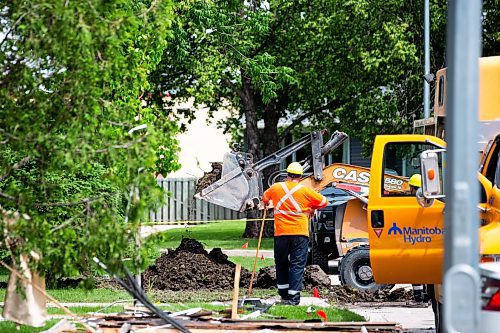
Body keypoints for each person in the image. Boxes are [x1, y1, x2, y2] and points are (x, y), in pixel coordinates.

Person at [262, 162, 328, 305]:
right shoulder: (305, 190)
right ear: (300, 176)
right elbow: (324, 201)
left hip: (281, 233)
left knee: (281, 264)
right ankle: (294, 298)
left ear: (287, 175)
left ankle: (284, 295)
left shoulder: (276, 187)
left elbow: (265, 199)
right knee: (297, 265)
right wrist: (311, 207)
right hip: (299, 233)